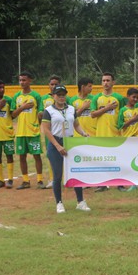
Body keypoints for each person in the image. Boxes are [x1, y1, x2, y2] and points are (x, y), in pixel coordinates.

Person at [42, 85, 90, 213]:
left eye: (63, 94)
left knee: (75, 172)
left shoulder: (71, 109)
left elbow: (76, 125)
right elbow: (46, 130)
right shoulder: (48, 111)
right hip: (55, 143)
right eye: (59, 94)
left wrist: (83, 133)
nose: (61, 97)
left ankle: (80, 201)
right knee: (57, 175)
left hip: (70, 142)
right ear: (53, 96)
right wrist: (57, 146)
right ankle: (59, 203)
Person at [12, 71, 45, 189]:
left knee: (37, 156)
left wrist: (38, 121)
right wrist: (22, 107)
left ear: (30, 81)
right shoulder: (16, 97)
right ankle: (26, 181)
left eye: (24, 80)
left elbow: (40, 112)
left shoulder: (36, 96)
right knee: (22, 156)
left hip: (33, 132)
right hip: (21, 132)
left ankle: (40, 180)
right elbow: (13, 115)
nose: (22, 82)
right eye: (20, 80)